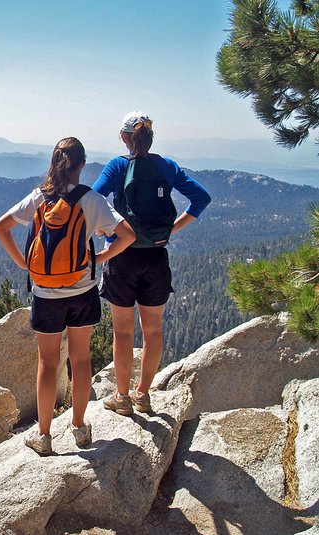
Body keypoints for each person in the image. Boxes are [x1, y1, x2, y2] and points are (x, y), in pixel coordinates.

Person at [0, 137, 135, 454]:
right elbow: (128, 235)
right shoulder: (92, 200)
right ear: (82, 165)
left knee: (48, 362)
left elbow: (0, 227)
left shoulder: (38, 198)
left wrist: (24, 263)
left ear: (54, 163)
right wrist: (102, 256)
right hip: (82, 291)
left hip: (45, 294)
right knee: (80, 360)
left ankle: (43, 436)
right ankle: (80, 428)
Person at [92, 111, 211, 416]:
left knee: (122, 331)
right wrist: (172, 228)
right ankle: (143, 394)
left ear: (123, 138)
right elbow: (201, 198)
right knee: (153, 330)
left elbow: (92, 200)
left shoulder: (119, 166)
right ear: (151, 136)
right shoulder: (166, 166)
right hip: (157, 258)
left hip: (122, 256)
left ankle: (122, 398)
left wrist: (104, 228)